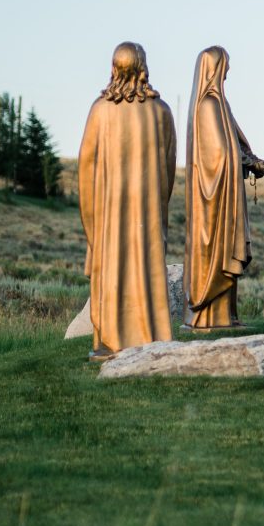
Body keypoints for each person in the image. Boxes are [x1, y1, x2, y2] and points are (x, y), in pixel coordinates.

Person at [78, 42, 176, 359]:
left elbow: (86, 170)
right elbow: (168, 169)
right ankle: (150, 334)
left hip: (109, 215)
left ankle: (108, 340)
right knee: (145, 266)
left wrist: (91, 224)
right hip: (146, 213)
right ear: (143, 67)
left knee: (112, 268)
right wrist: (158, 207)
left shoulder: (100, 110)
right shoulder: (161, 112)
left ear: (113, 68)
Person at [184, 46, 264, 330]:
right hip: (215, 197)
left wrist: (252, 162)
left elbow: (232, 147)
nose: (229, 71)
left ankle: (225, 317)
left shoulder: (221, 105)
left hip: (227, 192)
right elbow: (219, 153)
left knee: (226, 253)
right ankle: (209, 317)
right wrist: (245, 161)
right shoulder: (208, 106)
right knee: (216, 254)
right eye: (226, 65)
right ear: (215, 68)